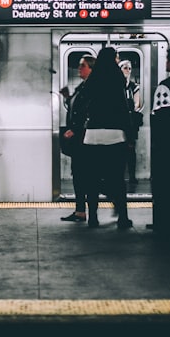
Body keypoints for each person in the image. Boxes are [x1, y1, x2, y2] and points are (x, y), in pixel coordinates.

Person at [73, 47, 133, 229]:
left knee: (91, 179)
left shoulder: (92, 81)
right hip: (115, 136)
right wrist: (130, 137)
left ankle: (93, 218)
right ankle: (123, 218)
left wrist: (80, 128)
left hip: (92, 136)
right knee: (117, 179)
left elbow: (82, 107)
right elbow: (124, 111)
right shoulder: (118, 80)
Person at [60, 54, 95, 223]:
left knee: (84, 175)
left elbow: (89, 113)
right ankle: (80, 210)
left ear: (91, 69)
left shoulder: (91, 88)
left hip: (85, 139)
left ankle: (85, 211)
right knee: (79, 175)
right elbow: (76, 109)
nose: (79, 69)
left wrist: (75, 129)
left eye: (83, 66)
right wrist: (67, 98)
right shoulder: (82, 87)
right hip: (79, 140)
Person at [119, 59, 142, 188]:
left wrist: (133, 109)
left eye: (129, 68)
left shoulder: (133, 86)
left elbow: (137, 103)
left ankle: (132, 175)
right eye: (125, 68)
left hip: (131, 121)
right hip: (119, 121)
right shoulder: (116, 85)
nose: (128, 71)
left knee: (131, 148)